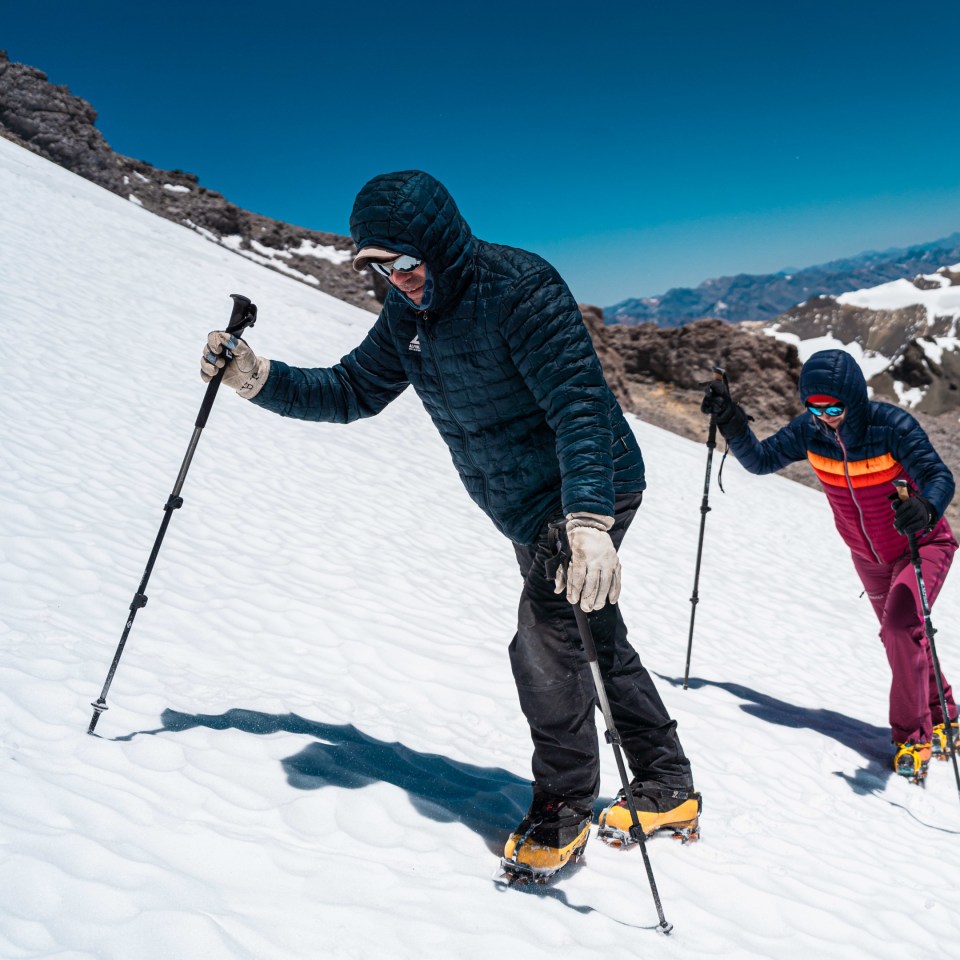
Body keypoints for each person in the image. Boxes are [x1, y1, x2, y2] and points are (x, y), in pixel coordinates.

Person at [201, 170, 699, 877]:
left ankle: (562, 808)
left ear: (440, 243)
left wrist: (589, 521)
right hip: (524, 507)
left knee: (545, 643)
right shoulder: (408, 314)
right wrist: (256, 378)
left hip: (588, 490)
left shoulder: (520, 288)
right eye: (379, 267)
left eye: (406, 261)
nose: (397, 279)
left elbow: (580, 407)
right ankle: (668, 784)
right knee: (593, 635)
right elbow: (351, 390)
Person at [702, 348, 958, 782]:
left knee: (901, 628)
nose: (825, 417)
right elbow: (760, 461)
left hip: (922, 544)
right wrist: (731, 420)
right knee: (902, 638)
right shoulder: (809, 431)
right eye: (815, 407)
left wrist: (926, 508)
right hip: (868, 557)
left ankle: (912, 738)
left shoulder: (891, 427)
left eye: (833, 408)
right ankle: (944, 713)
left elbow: (939, 476)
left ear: (853, 399)